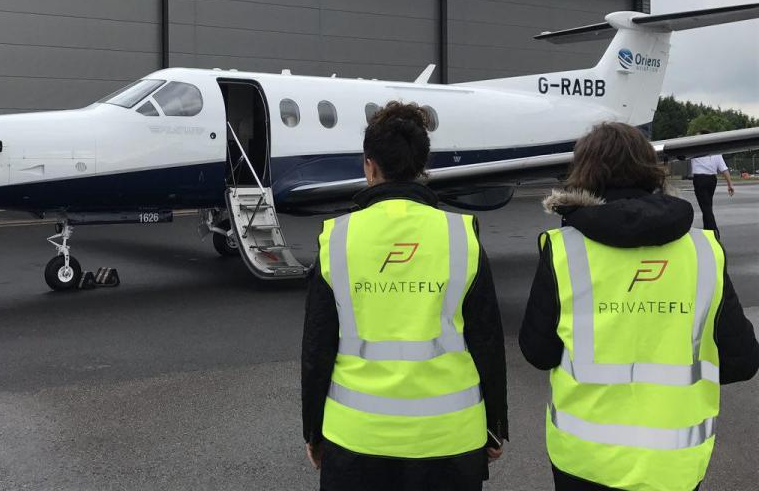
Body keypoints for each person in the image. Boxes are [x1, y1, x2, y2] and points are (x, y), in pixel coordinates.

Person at [519, 122, 758, 491]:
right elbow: (741, 360)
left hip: (583, 461)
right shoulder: (704, 252)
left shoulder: (564, 249)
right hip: (674, 464)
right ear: (651, 170)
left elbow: (538, 351)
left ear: (585, 174)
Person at [301, 102, 508, 491]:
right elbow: (487, 340)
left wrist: (314, 429)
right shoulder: (461, 234)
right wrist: (496, 424)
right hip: (450, 440)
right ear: (422, 167)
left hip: (356, 439)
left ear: (369, 166)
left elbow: (317, 348)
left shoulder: (336, 237)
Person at [690, 131, 735, 240]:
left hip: (700, 179)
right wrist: (730, 184)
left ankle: (714, 233)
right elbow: (723, 168)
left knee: (706, 208)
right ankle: (708, 232)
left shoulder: (693, 149)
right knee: (707, 206)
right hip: (712, 180)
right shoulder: (716, 152)